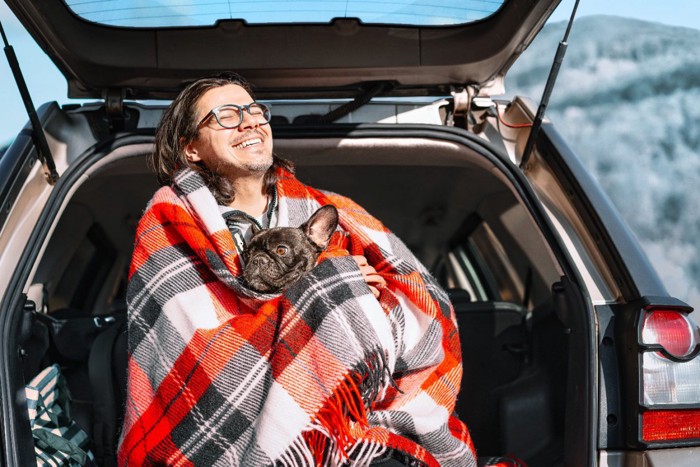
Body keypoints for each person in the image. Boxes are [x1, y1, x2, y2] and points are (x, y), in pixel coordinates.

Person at [117, 72, 477, 466]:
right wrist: (329, 284)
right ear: (191, 149)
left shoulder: (332, 208)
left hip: (355, 422)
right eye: (227, 116)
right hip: (233, 433)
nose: (251, 121)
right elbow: (196, 350)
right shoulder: (170, 222)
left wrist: (367, 294)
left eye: (255, 111)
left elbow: (420, 303)